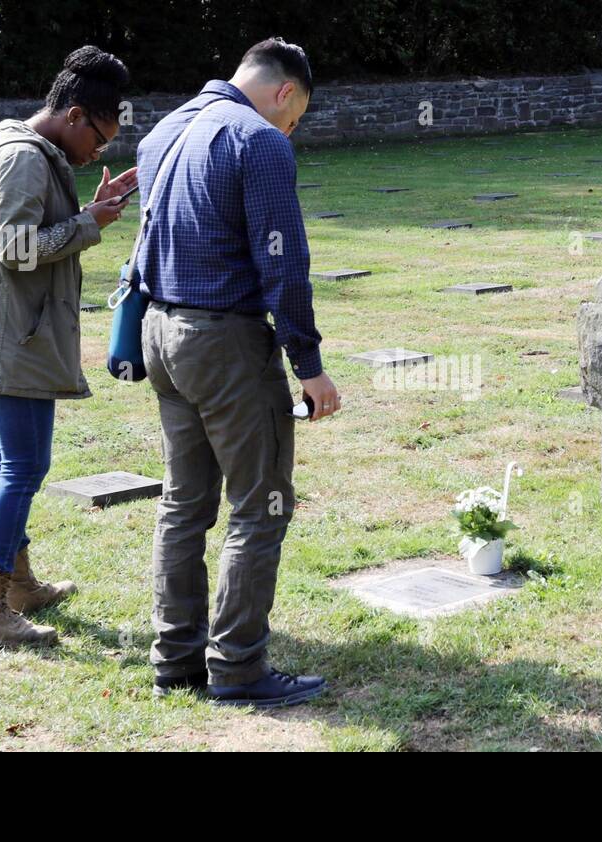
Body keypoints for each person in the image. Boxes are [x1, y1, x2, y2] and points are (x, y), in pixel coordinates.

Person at [133, 37, 340, 706]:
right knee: (261, 505)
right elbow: (284, 262)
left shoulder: (164, 130)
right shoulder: (259, 140)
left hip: (161, 332)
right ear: (286, 93)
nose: (293, 128)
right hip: (225, 342)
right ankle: (239, 668)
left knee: (183, 502)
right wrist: (308, 364)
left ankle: (175, 661)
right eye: (298, 114)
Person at [0, 46, 136, 647]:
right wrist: (90, 226)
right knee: (25, 466)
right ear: (77, 114)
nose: (98, 152)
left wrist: (90, 211)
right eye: (101, 138)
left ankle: (18, 585)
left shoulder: (29, 153)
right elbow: (17, 249)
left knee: (11, 463)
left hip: (8, 330)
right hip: (12, 337)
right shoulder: (25, 160)